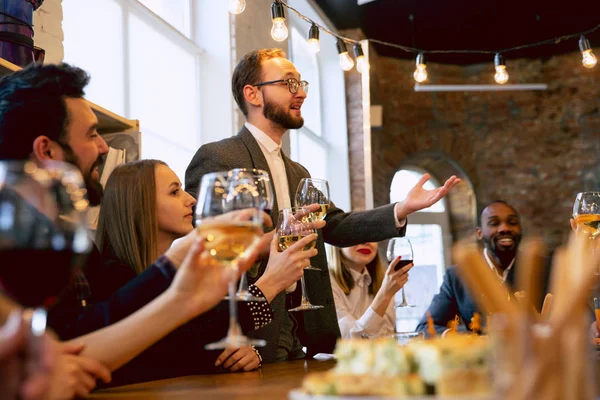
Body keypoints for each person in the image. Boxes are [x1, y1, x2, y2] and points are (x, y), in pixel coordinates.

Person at [0, 62, 261, 395]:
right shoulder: (23, 248)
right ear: (46, 151)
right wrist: (172, 272)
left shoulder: (67, 243)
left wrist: (182, 298)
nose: (104, 147)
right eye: (92, 134)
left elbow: (74, 345)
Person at [184, 48, 460, 362]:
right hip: (250, 341)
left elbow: (336, 225)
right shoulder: (219, 158)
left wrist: (400, 209)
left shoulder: (298, 173)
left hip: (300, 339)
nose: (300, 92)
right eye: (288, 83)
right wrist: (230, 338)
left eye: (301, 84)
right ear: (253, 94)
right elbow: (210, 258)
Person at [89, 159, 316, 383]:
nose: (191, 199)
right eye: (174, 192)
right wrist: (270, 284)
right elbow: (167, 355)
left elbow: (202, 336)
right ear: (139, 205)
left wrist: (244, 354)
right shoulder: (114, 276)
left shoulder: (179, 272)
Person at [416, 200, 524, 335]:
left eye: (512, 223)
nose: (504, 228)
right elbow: (425, 327)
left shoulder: (540, 269)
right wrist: (466, 340)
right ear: (479, 233)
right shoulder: (457, 276)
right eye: (494, 223)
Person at [328, 242, 412, 339]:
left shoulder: (384, 280)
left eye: (371, 236)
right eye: (357, 233)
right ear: (337, 243)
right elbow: (352, 339)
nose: (366, 242)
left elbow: (386, 336)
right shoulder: (326, 283)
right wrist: (384, 295)